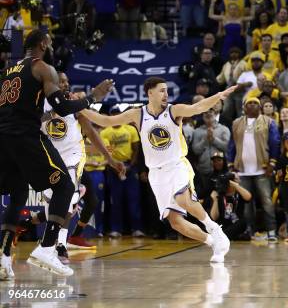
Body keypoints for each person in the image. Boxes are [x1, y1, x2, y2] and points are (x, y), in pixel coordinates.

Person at [81, 77, 236, 263]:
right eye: (161, 90)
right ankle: (214, 243)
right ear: (150, 93)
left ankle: (214, 229)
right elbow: (105, 120)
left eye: (167, 90)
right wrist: (81, 108)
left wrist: (218, 96)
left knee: (183, 199)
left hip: (177, 166)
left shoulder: (173, 110)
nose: (166, 94)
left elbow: (198, 108)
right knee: (176, 223)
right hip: (156, 173)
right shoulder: (137, 114)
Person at [0, 30, 113, 278]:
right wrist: (94, 96)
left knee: (18, 193)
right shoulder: (43, 68)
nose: (51, 47)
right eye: (49, 42)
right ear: (42, 44)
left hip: (3, 138)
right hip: (24, 134)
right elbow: (62, 107)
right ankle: (48, 248)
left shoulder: (7, 71)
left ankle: (4, 257)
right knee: (64, 187)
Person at [39, 73, 125, 258]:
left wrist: (109, 159)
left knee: (68, 198)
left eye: (67, 81)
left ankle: (60, 243)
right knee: (51, 202)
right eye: (61, 81)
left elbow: (91, 133)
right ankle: (46, 238)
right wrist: (52, 112)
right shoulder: (40, 102)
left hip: (73, 157)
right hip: (50, 157)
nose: (65, 84)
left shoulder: (75, 103)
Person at [227, 97, 281, 242]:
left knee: (267, 202)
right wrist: (231, 164)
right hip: (242, 171)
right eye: (249, 103)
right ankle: (249, 231)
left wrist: (273, 163)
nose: (252, 105)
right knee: (246, 205)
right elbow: (232, 145)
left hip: (262, 170)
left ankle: (271, 231)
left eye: (255, 103)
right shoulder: (237, 123)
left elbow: (275, 143)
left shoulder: (269, 122)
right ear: (244, 107)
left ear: (260, 107)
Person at [101, 106, 144, 239]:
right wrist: (115, 167)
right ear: (110, 116)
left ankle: (137, 228)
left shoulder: (130, 129)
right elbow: (106, 153)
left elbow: (136, 149)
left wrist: (131, 165)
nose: (116, 117)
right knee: (115, 201)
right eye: (113, 114)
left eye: (118, 114)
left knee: (134, 199)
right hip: (113, 168)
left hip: (130, 167)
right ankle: (116, 229)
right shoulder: (105, 132)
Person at [208, 152, 252, 240]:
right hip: (224, 224)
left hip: (237, 223)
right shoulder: (220, 194)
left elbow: (249, 197)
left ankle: (222, 237)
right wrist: (215, 200)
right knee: (217, 226)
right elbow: (213, 217)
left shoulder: (238, 193)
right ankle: (225, 236)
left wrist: (236, 185)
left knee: (243, 222)